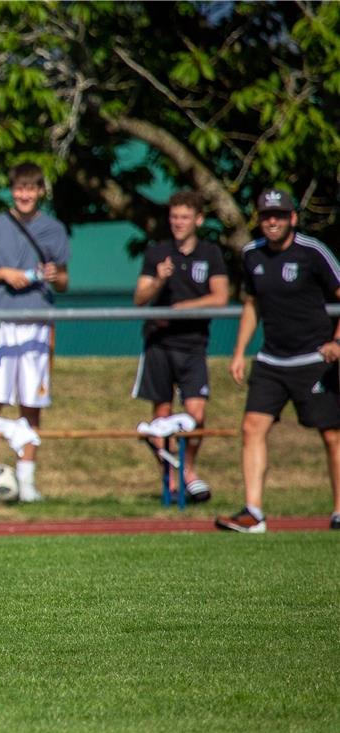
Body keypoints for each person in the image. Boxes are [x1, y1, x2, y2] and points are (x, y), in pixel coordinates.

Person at [216, 188, 340, 533]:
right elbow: (252, 304)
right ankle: (253, 512)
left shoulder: (313, 253)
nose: (272, 222)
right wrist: (239, 352)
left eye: (279, 216)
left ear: (292, 219)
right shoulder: (251, 254)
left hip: (314, 357)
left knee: (331, 434)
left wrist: (337, 340)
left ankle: (339, 510)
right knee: (252, 428)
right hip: (271, 359)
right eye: (266, 216)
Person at [0, 161, 70, 502]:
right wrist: (4, 273)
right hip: (0, 326)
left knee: (32, 404)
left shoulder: (54, 229)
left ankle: (26, 481)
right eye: (19, 188)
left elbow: (65, 281)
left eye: (31, 188)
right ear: (12, 191)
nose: (25, 195)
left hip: (37, 325)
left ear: (41, 191)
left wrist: (54, 275)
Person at [132, 191, 229, 501]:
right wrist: (159, 280)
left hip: (193, 345)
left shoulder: (210, 253)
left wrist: (185, 307)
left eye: (185, 217)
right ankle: (170, 478)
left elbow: (220, 297)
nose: (178, 223)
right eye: (174, 217)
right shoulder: (157, 252)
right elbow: (140, 298)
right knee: (161, 418)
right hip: (159, 344)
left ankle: (187, 470)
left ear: (198, 220)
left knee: (196, 414)